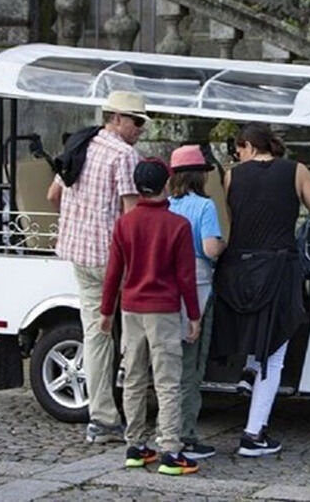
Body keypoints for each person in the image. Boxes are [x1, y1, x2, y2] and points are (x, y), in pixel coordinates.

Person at [211, 123, 310, 457]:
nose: (237, 155)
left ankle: (248, 371)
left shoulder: (231, 176)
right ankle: (253, 433)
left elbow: (229, 222)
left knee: (254, 333)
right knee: (275, 353)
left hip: (238, 270)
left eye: (238, 148)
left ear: (249, 147)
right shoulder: (297, 172)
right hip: (278, 268)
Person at [46, 90, 148, 444]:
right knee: (134, 331)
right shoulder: (124, 155)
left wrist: (78, 220)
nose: (140, 129)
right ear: (116, 117)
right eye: (136, 121)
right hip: (112, 259)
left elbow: (53, 195)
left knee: (97, 334)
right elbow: (132, 214)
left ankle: (101, 418)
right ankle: (136, 414)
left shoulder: (80, 143)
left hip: (78, 253)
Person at [99, 158, 202, 476]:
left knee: (133, 378)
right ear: (167, 185)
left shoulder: (124, 224)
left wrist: (106, 311)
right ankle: (170, 450)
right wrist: (194, 315)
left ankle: (135, 446)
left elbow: (113, 273)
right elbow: (186, 276)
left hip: (131, 309)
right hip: (164, 311)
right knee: (168, 381)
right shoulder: (177, 225)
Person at [167, 144, 227, 461]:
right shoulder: (204, 207)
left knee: (169, 364)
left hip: (165, 290)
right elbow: (210, 248)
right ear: (199, 177)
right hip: (199, 285)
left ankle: (166, 430)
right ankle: (186, 433)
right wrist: (222, 242)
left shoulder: (164, 205)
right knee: (192, 364)